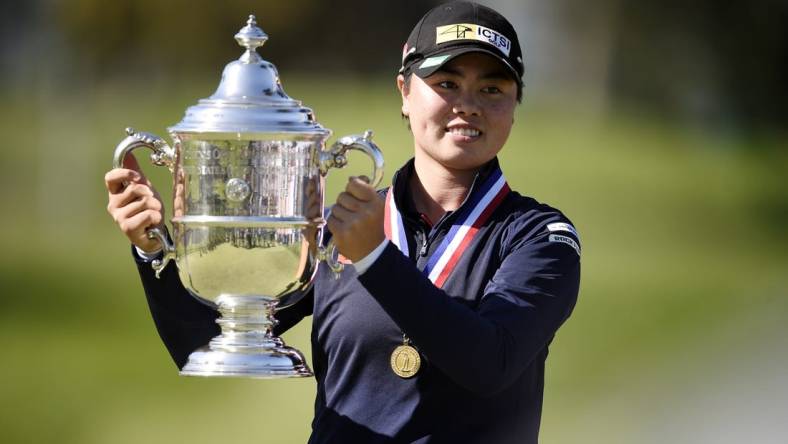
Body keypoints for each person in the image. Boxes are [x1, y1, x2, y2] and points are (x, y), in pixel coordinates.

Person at [104, 2, 580, 443]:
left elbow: (490, 362)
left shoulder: (541, 237)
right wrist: (153, 250)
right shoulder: (338, 229)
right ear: (405, 93)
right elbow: (203, 342)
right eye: (447, 83)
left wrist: (375, 257)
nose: (469, 104)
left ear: (515, 105)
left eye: (492, 89)